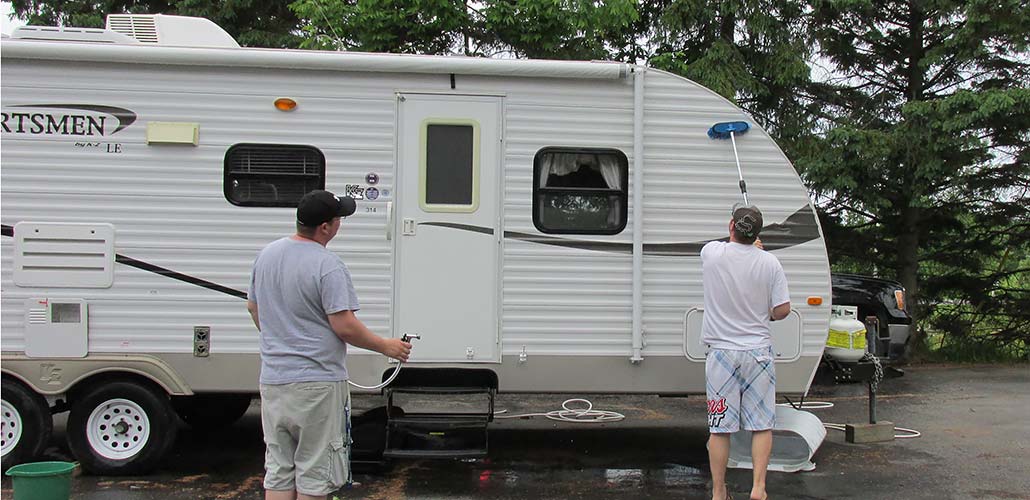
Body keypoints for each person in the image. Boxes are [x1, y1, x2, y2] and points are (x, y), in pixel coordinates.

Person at [247, 189, 412, 500]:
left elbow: (254, 308)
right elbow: (344, 326)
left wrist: (281, 338)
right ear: (325, 227)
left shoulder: (267, 255)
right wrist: (387, 347)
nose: (340, 224)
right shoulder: (327, 265)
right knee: (315, 472)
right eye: (339, 219)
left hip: (273, 380)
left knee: (279, 470)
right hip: (316, 383)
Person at [701, 203, 790, 500]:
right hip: (758, 354)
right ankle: (758, 488)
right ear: (758, 234)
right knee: (761, 425)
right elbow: (782, 310)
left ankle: (718, 492)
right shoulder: (770, 263)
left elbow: (729, 248)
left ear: (731, 226)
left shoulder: (711, 254)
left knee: (719, 429)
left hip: (722, 356)